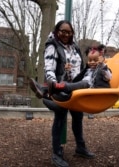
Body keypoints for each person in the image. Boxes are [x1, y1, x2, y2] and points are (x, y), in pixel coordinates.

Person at [29, 20, 96, 167]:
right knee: (60, 116)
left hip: (74, 88)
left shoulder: (75, 48)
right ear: (57, 31)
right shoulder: (53, 46)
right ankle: (56, 153)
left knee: (78, 117)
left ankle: (80, 147)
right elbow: (49, 69)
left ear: (72, 33)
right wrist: (54, 85)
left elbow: (79, 70)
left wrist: (88, 69)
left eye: (69, 32)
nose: (66, 34)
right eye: (62, 31)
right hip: (61, 88)